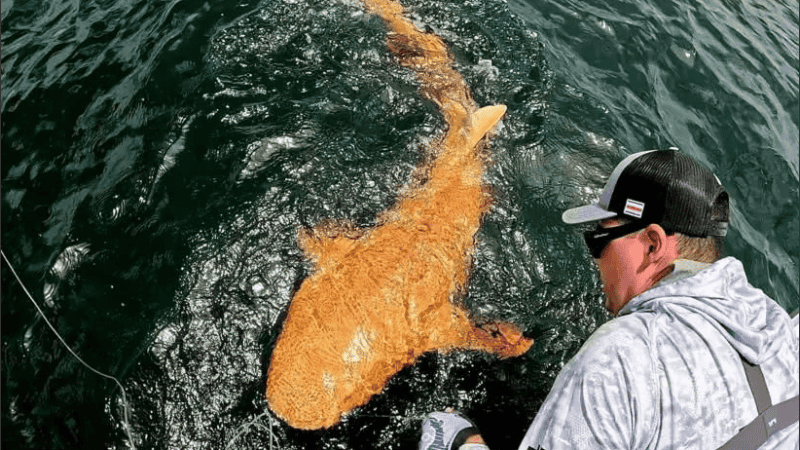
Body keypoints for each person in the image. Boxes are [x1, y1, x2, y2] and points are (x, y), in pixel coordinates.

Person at [419, 149, 799, 450]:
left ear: (652, 245)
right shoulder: (778, 332)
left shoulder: (622, 357)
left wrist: (464, 442)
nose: (594, 256)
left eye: (600, 239)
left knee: (445, 429)